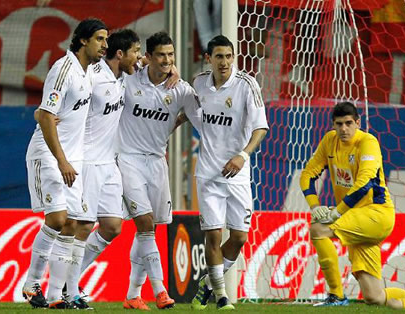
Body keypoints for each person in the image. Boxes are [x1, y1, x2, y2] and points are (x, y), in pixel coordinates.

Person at [299, 101, 405, 309]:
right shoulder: (329, 141)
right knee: (374, 297)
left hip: (376, 214)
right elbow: (307, 174)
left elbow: (364, 184)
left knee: (318, 229)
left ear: (357, 122)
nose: (344, 129)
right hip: (355, 218)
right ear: (333, 125)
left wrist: (336, 213)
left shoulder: (368, 142)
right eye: (339, 124)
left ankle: (336, 295)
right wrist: (314, 205)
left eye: (348, 123)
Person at [23, 18, 108, 309]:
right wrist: (61, 161)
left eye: (107, 40)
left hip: (72, 159)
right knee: (58, 220)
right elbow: (46, 115)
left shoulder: (90, 71)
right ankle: (32, 281)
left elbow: (45, 111)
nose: (105, 45)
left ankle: (57, 294)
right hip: (49, 155)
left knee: (74, 224)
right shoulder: (64, 69)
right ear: (83, 40)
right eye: (99, 39)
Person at [116, 31, 200, 310]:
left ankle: (132, 295)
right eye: (161, 55)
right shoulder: (128, 78)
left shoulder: (181, 89)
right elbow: (107, 64)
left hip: (156, 161)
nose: (167, 60)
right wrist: (136, 60)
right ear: (148, 57)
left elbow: (200, 116)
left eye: (171, 55)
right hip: (127, 159)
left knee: (147, 229)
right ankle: (160, 290)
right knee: (145, 224)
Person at [60, 28, 142, 309]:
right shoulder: (94, 75)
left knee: (112, 226)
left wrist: (173, 72)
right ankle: (69, 291)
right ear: (121, 54)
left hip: (110, 163)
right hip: (88, 162)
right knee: (82, 226)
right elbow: (69, 92)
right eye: (136, 52)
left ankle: (69, 281)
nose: (139, 58)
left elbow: (158, 68)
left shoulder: (125, 77)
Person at [190, 35, 268, 310]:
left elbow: (261, 128)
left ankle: (207, 285)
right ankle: (221, 297)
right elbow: (183, 107)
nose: (224, 62)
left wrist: (242, 155)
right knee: (212, 235)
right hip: (208, 174)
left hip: (237, 174)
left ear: (234, 57)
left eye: (229, 56)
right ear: (208, 58)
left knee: (239, 238)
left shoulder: (247, 85)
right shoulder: (199, 83)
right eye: (219, 56)